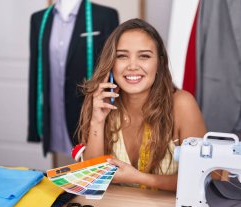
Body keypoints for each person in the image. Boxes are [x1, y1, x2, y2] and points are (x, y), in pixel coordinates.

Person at [77, 18, 207, 192]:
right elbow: (90, 179)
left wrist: (140, 178)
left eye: (144, 56)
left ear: (159, 62)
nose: (132, 66)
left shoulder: (182, 105)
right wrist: (97, 122)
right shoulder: (100, 101)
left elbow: (204, 177)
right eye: (122, 56)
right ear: (111, 63)